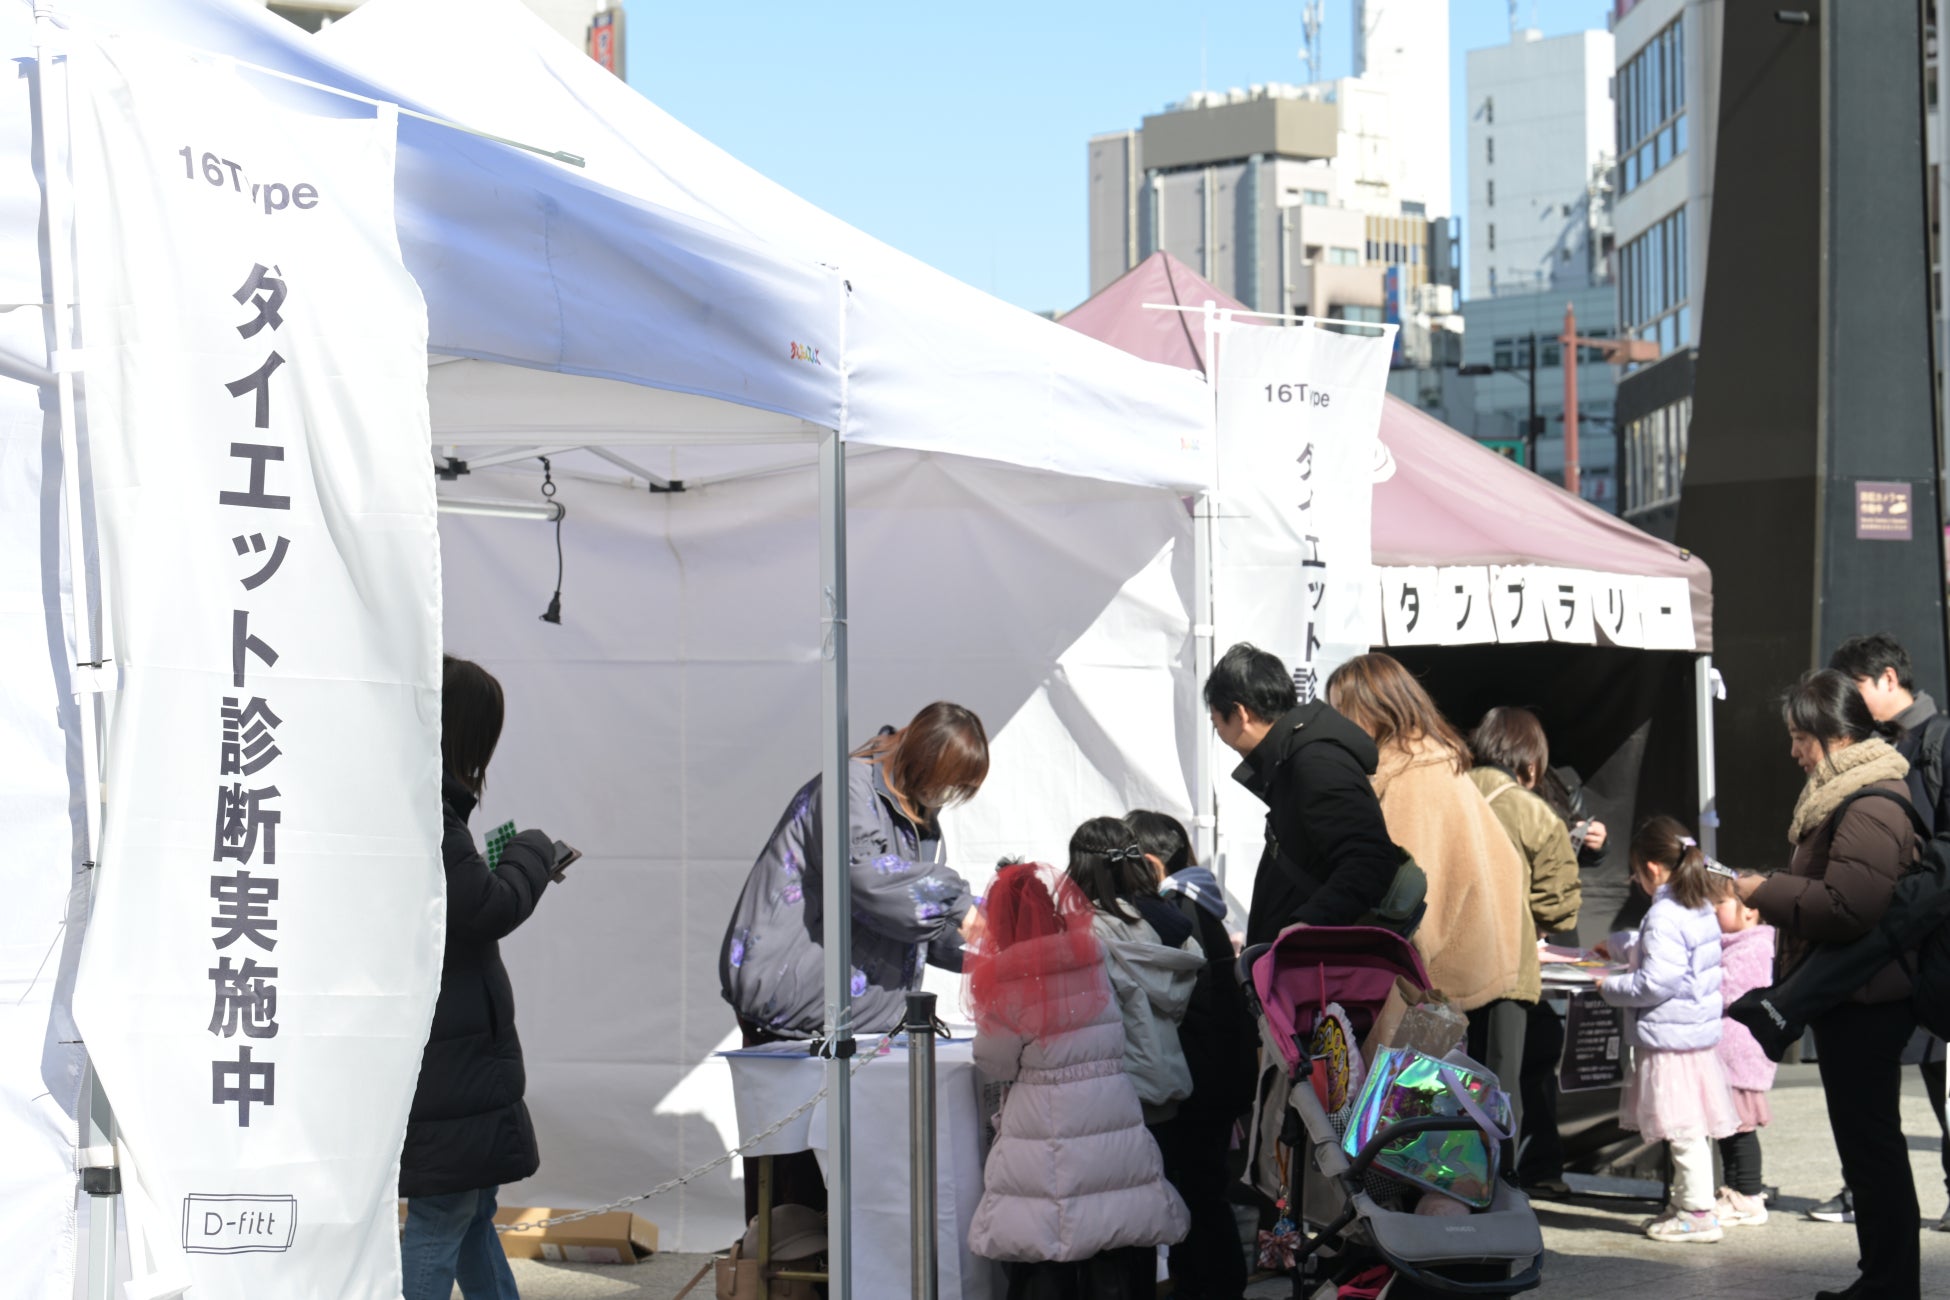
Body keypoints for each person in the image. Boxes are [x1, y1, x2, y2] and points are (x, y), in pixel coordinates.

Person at [719, 701, 988, 1214]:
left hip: (853, 1020)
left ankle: (832, 1259)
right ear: (924, 759)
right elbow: (868, 878)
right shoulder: (848, 788)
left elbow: (909, 916)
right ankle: (787, 1261)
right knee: (795, 1188)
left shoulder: (913, 811)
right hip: (795, 1002)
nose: (946, 797)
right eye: (947, 783)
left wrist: (985, 952)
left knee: (850, 1185)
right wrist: (963, 908)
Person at [1732, 669, 1924, 1297]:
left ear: (1836, 734)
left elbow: (1849, 905)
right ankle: (1882, 1279)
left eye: (1799, 737)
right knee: (1867, 1148)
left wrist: (1766, 892)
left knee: (1872, 1148)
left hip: (1866, 1001)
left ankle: (1889, 1283)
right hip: (1853, 996)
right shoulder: (1847, 794)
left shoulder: (1869, 800)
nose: (1793, 751)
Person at [401, 655, 562, 1300]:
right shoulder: (430, 816)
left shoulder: (414, 803)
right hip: (452, 1053)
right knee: (444, 1214)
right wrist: (532, 850)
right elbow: (486, 909)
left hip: (455, 1049)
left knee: (468, 1212)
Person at [1326, 655, 1534, 1129]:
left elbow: (1406, 889)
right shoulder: (1435, 758)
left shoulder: (1409, 773)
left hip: (1425, 981)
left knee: (1401, 1130)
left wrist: (1397, 962)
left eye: (1342, 709)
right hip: (1459, 973)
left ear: (1372, 706)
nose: (1338, 724)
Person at [965, 862, 1189, 1299]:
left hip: (1044, 1119)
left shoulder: (1009, 979)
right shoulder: (1090, 958)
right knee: (1112, 1224)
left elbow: (995, 1061)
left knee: (1047, 1236)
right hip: (1111, 1105)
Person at [1822, 633, 1950, 1232]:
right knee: (1872, 1094)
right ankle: (1861, 1191)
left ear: (1889, 679)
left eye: (1855, 686)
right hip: (1886, 946)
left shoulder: (1938, 741)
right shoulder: (1875, 746)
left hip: (1932, 943)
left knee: (1941, 1078)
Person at [1126, 810, 1255, 1300]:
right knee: (1204, 1188)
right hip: (1222, 1069)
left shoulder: (1174, 909)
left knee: (1198, 1192)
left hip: (1200, 1075)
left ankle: (1212, 1287)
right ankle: (1211, 1284)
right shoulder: (1200, 901)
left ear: (1151, 861)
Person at [1202, 643, 1403, 947]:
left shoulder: (1314, 762)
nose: (1217, 731)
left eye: (1215, 720)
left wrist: (1309, 924)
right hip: (1304, 959)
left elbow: (1370, 859)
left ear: (1240, 713)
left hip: (1319, 963)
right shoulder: (1293, 758)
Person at [1598, 818, 1741, 1244]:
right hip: (1689, 1037)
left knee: (1682, 1129)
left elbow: (1657, 981)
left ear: (1652, 868)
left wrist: (1609, 987)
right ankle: (1686, 1204)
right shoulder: (1697, 906)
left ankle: (1697, 1212)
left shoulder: (1663, 913)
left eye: (1635, 873)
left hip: (1669, 1041)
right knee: (1689, 1126)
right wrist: (1621, 945)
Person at [1467, 706, 1583, 1191]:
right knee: (1500, 1080)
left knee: (1446, 1074)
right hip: (1507, 970)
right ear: (1530, 762)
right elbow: (1560, 906)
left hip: (1440, 968)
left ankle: (1445, 1182)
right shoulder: (1532, 811)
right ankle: (1498, 1185)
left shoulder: (1446, 793)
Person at [1064, 817, 1206, 1126]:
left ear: (1080, 865)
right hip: (1166, 1080)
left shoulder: (1088, 929)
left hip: (1113, 1089)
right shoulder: (1167, 921)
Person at [1712, 871, 1777, 1229]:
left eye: (1720, 903)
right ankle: (1734, 1192)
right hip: (1730, 1055)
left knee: (1740, 1129)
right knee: (1729, 1129)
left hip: (1740, 1055)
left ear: (1750, 910)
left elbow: (1733, 990)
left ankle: (1749, 1195)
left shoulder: (1755, 946)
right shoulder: (1734, 944)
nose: (1713, 910)